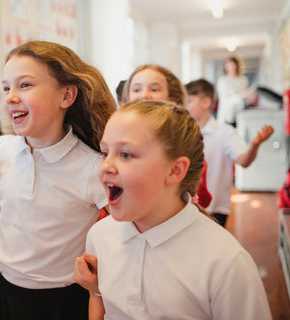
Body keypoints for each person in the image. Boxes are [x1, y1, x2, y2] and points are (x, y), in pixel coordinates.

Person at [73, 99, 272, 320]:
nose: (106, 166)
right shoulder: (100, 236)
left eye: (126, 154)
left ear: (175, 170)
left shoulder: (226, 262)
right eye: (105, 153)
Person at [0, 40, 115, 319]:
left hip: (62, 299)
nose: (9, 96)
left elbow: (128, 230)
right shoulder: (2, 150)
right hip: (5, 285)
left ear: (66, 96)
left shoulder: (92, 167)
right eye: (6, 87)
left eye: (25, 85)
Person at [119, 64, 212, 208]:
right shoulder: (116, 140)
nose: (144, 95)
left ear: (172, 99)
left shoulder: (185, 147)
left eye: (154, 89)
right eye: (137, 89)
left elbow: (202, 199)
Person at [185, 79, 274, 227]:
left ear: (206, 103)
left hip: (215, 209)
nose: (184, 106)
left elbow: (243, 161)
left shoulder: (225, 132)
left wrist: (254, 145)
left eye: (189, 101)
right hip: (187, 207)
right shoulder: (184, 133)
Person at [216, 56, 250, 127]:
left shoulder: (243, 79)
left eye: (232, 64)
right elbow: (224, 100)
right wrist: (240, 96)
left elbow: (246, 96)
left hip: (240, 113)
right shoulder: (223, 80)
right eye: (228, 65)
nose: (231, 67)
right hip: (227, 115)